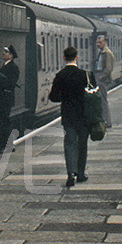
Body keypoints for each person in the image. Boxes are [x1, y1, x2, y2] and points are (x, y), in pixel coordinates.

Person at [49, 46, 89, 188]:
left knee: (70, 144)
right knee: (82, 144)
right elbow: (93, 93)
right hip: (84, 115)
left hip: (68, 115)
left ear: (64, 58)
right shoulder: (85, 75)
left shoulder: (60, 76)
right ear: (76, 57)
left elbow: (53, 97)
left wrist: (65, 98)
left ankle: (70, 174)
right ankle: (81, 173)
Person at [0, 44, 19, 152]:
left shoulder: (13, 67)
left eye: (5, 52)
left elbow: (11, 82)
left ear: (10, 56)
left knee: (3, 122)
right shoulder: (5, 66)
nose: (3, 53)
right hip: (1, 98)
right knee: (2, 121)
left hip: (5, 98)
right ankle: (7, 144)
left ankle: (3, 146)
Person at [94, 35, 114, 127]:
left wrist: (100, 77)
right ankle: (103, 120)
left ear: (105, 43)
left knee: (103, 101)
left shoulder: (107, 53)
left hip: (103, 79)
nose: (98, 44)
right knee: (100, 101)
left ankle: (107, 121)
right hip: (99, 77)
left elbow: (108, 69)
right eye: (97, 42)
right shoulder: (101, 52)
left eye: (100, 42)